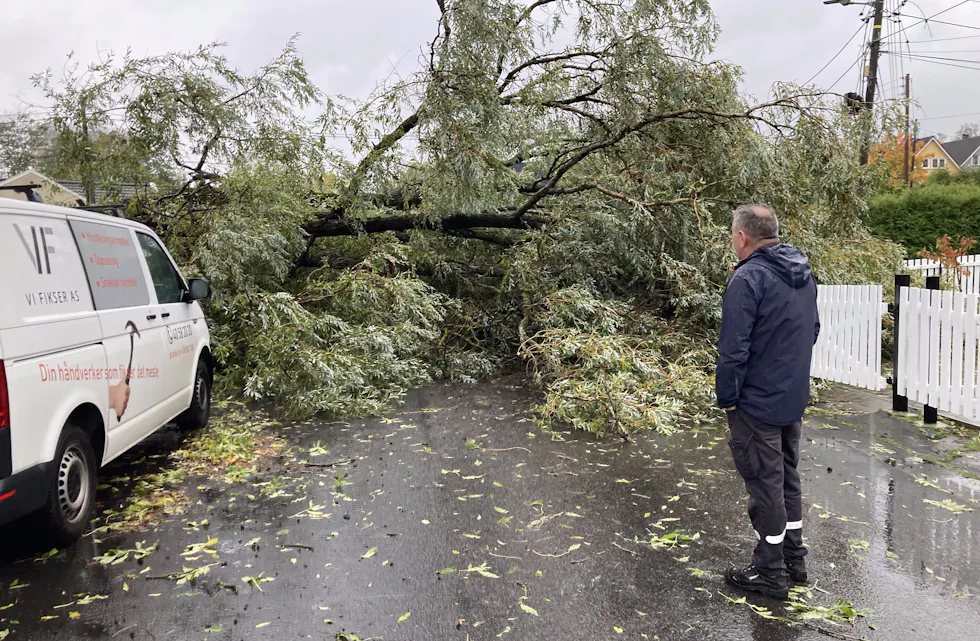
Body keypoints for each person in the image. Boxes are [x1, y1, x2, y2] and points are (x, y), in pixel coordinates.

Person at [716, 204, 820, 599]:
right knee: (787, 477)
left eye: (733, 235)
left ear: (742, 236)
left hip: (756, 404)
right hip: (791, 397)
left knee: (765, 485)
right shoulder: (803, 273)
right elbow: (811, 330)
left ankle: (769, 572)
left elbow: (733, 349)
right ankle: (794, 560)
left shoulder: (749, 278)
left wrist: (728, 399)